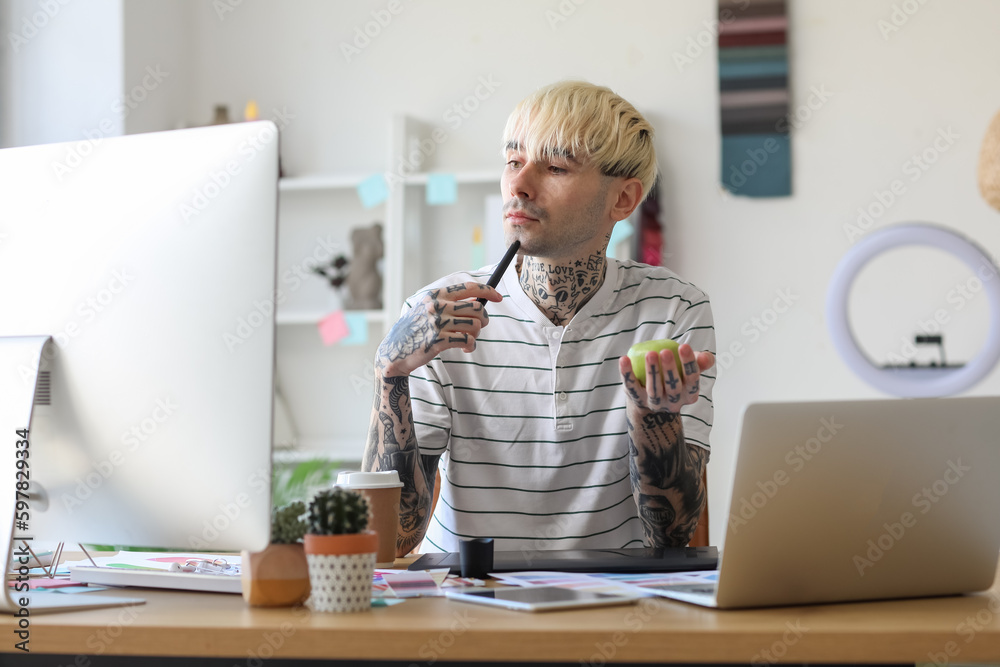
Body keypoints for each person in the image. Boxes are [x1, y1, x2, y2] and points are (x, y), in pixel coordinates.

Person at [362, 81, 716, 557]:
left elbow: (670, 537)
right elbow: (393, 541)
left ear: (624, 200)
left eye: (555, 167)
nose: (519, 185)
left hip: (615, 607)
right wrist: (390, 372)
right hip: (467, 607)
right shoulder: (434, 316)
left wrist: (654, 420)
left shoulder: (675, 310)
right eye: (513, 161)